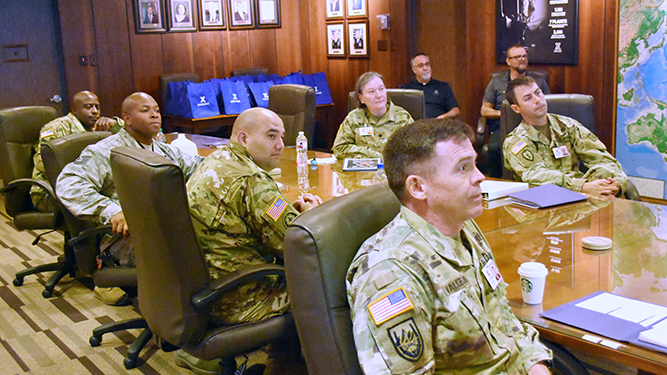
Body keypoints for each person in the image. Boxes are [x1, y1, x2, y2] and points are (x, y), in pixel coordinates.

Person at [346, 118, 553, 374]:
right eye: (463, 168)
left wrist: (536, 364)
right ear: (418, 187)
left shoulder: (464, 227)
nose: (479, 177)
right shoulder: (391, 274)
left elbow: (503, 317)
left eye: (475, 164)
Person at [180, 107, 321, 374]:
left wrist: (285, 210)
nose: (280, 145)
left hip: (201, 287)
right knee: (323, 287)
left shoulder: (217, 159)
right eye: (271, 136)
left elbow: (262, 214)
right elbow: (299, 243)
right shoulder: (251, 179)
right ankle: (285, 368)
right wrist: (314, 216)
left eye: (281, 136)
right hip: (236, 295)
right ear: (244, 138)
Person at [56, 93, 203, 302]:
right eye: (145, 111)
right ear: (127, 119)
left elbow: (201, 167)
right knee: (202, 247)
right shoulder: (109, 151)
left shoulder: (164, 150)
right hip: (125, 239)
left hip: (163, 228)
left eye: (157, 110)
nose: (154, 115)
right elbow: (69, 183)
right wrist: (111, 211)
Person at [502, 76, 629, 198]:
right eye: (528, 98)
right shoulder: (516, 141)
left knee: (605, 175)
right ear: (516, 108)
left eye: (538, 92)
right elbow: (537, 176)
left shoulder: (568, 126)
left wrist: (616, 183)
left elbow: (603, 159)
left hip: (584, 198)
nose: (538, 100)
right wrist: (582, 187)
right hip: (544, 204)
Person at [31, 91, 123, 212]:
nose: (95, 111)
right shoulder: (56, 128)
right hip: (52, 192)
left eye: (97, 107)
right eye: (89, 107)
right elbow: (45, 164)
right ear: (74, 110)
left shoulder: (100, 125)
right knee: (119, 208)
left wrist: (115, 126)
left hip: (94, 187)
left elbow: (132, 138)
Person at [480, 44, 551, 178]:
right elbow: (484, 110)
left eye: (524, 56)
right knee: (495, 149)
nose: (522, 59)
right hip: (503, 127)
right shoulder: (496, 82)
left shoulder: (538, 82)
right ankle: (497, 181)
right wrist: (505, 114)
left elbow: (548, 105)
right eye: (517, 57)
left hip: (534, 125)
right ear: (508, 61)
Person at [333, 71, 413, 159]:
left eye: (381, 89)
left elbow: (415, 148)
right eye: (371, 92)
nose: (379, 95)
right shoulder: (354, 118)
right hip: (363, 170)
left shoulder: (403, 117)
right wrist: (372, 155)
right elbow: (339, 148)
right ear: (361, 98)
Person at [401, 52, 460, 119]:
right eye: (421, 65)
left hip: (438, 125)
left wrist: (442, 117)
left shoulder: (442, 86)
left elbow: (456, 110)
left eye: (427, 64)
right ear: (414, 70)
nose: (425, 68)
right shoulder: (406, 89)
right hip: (415, 126)